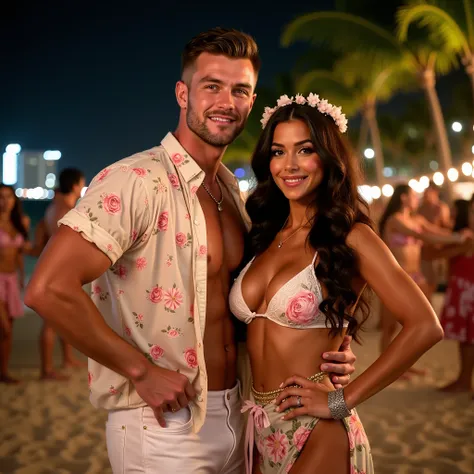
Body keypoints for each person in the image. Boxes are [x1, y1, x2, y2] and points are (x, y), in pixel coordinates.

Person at [25, 28, 356, 473]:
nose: (226, 101)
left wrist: (325, 345)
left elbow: (245, 308)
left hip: (241, 416)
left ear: (252, 102)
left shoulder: (231, 191)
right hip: (159, 421)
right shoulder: (137, 181)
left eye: (239, 90)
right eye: (211, 86)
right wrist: (140, 371)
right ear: (183, 94)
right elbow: (47, 288)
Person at [229, 94, 444, 473]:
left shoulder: (352, 237)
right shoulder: (263, 237)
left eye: (304, 149)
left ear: (328, 158)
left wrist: (341, 400)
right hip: (259, 427)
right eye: (278, 152)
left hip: (318, 428)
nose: (289, 165)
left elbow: (425, 326)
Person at [378, 184, 465, 376]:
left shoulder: (417, 219)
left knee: (416, 326)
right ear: (403, 198)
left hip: (416, 276)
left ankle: (405, 366)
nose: (417, 198)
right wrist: (458, 240)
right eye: (413, 195)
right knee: (390, 326)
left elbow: (437, 232)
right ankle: (386, 372)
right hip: (395, 278)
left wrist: (459, 235)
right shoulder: (394, 221)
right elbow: (420, 236)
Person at [26, 168, 87, 380]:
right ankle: (47, 369)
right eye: (81, 183)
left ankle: (67, 359)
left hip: (59, 271)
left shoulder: (55, 207)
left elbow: (44, 236)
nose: (82, 188)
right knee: (52, 322)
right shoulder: (65, 210)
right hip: (60, 272)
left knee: (63, 318)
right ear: (74, 185)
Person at [424, 197, 474, 395]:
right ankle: (464, 379)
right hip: (463, 291)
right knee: (466, 339)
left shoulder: (466, 238)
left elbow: (431, 254)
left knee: (469, 339)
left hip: (467, 292)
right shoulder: (463, 236)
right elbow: (431, 253)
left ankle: (464, 380)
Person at [0, 184, 30, 384]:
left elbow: (20, 252)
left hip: (12, 280)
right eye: (1, 197)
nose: (5, 201)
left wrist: (21, 276)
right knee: (4, 327)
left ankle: (3, 372)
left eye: (9, 197)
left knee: (8, 328)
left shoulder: (21, 222)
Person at [419, 182, 452, 299]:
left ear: (435, 192)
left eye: (428, 191)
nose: (425, 194)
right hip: (424, 250)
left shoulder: (441, 207)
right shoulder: (421, 208)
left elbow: (446, 226)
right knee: (426, 282)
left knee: (434, 282)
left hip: (437, 248)